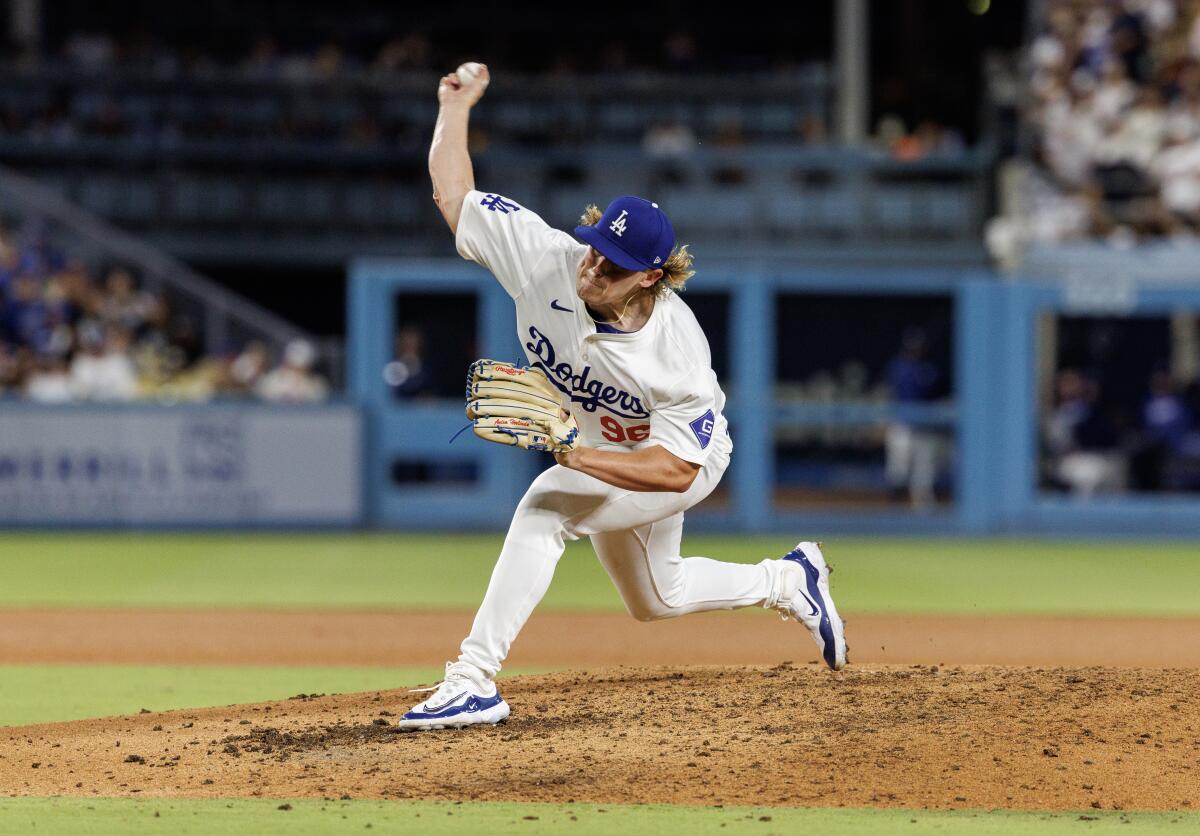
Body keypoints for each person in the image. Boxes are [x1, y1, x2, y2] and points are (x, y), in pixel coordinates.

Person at [398, 63, 848, 732]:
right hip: (601, 447)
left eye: (612, 264)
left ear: (652, 277)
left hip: (676, 459)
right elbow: (454, 194)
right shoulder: (546, 258)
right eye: (594, 248)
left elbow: (677, 470)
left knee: (544, 506)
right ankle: (787, 582)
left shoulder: (675, 351)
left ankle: (472, 679)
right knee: (656, 598)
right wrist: (454, 107)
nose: (593, 266)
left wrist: (578, 454)